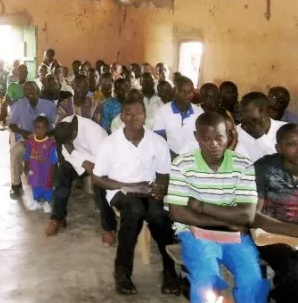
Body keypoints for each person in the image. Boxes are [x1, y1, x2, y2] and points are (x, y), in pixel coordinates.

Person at [166, 112, 269, 303]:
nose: (213, 144)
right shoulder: (182, 164)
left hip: (234, 234)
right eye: (206, 139)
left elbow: (247, 214)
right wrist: (228, 221)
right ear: (197, 137)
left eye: (219, 138)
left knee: (252, 281)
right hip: (195, 232)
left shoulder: (243, 164)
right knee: (206, 278)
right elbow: (178, 212)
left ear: (228, 136)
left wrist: (202, 207)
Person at [93, 96, 178, 296]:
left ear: (145, 115)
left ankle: (170, 272)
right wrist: (129, 187)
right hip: (120, 190)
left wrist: (161, 188)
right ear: (122, 116)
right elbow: (98, 179)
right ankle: (122, 272)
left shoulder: (157, 141)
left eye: (138, 112)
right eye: (128, 113)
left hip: (148, 191)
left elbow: (164, 175)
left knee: (160, 217)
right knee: (134, 211)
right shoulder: (110, 143)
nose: (133, 117)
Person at [253, 123, 298, 302]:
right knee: (294, 270)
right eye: (291, 144)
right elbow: (253, 215)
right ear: (279, 148)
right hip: (270, 235)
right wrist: (291, 231)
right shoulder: (265, 167)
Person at [47, 115, 110, 239]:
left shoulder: (95, 133)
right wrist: (81, 161)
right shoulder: (64, 125)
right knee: (63, 174)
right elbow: (67, 152)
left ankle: (109, 228)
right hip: (79, 160)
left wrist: (82, 159)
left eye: (68, 142)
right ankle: (58, 218)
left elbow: (103, 160)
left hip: (101, 162)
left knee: (101, 185)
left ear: (74, 131)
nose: (67, 144)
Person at [8, 82, 57, 198]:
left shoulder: (49, 105)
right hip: (27, 141)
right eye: (26, 90)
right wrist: (25, 134)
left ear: (38, 90)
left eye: (32, 89)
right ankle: (16, 184)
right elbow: (12, 125)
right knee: (14, 152)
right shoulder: (19, 105)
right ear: (23, 92)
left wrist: (45, 138)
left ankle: (51, 183)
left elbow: (57, 124)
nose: (30, 91)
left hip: (46, 142)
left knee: (54, 155)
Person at [153, 76, 204, 156]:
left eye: (190, 91)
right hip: (170, 157)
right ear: (175, 91)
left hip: (194, 158)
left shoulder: (199, 112)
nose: (187, 94)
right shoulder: (162, 112)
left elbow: (203, 138)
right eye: (182, 91)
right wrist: (174, 157)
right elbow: (159, 140)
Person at [238, 91, 287, 162]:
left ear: (261, 110)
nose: (241, 117)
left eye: (245, 112)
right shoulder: (236, 132)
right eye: (240, 113)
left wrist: (260, 137)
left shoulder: (285, 130)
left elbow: (283, 162)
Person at [23, 116, 58, 213]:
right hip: (34, 170)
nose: (40, 130)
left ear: (47, 129)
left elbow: (53, 160)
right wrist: (26, 166)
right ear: (34, 128)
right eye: (38, 127)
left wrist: (53, 174)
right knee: (35, 185)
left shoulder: (50, 143)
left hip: (46, 171)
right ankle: (37, 201)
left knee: (46, 186)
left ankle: (47, 201)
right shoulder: (31, 141)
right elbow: (27, 154)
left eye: (43, 127)